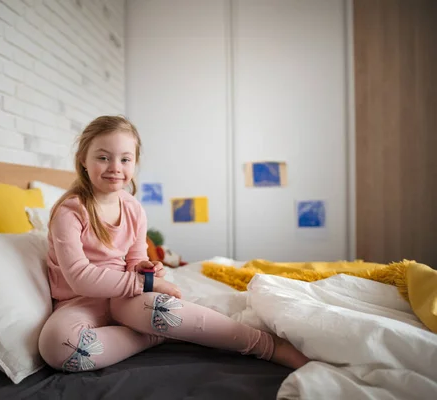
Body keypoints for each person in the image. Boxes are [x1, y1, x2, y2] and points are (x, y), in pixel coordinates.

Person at [38, 115, 309, 372]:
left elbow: (134, 261)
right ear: (83, 160)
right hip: (80, 302)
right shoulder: (70, 211)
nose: (115, 167)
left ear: (135, 163)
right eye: (103, 157)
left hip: (123, 299)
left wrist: (145, 269)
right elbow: (80, 278)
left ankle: (267, 346)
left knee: (164, 309)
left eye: (125, 159)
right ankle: (154, 337)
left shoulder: (133, 208)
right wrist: (147, 283)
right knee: (58, 347)